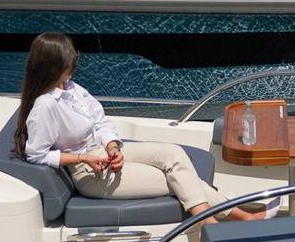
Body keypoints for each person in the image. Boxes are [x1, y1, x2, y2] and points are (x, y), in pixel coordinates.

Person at [15, 33, 264, 225]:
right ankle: (220, 220)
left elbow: (101, 122)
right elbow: (36, 154)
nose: (74, 66)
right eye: (69, 62)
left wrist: (113, 146)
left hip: (102, 153)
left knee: (173, 154)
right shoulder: (45, 105)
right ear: (52, 65)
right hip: (88, 172)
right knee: (175, 178)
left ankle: (230, 218)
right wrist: (84, 158)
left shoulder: (71, 88)